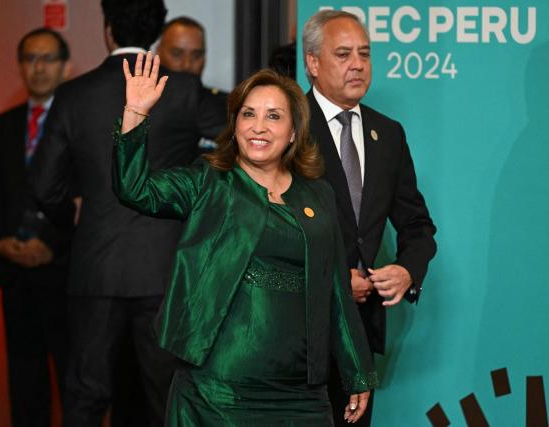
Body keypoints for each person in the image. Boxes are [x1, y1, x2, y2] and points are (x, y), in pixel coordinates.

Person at [112, 52, 376, 426]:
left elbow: (335, 289)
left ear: (294, 132)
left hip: (301, 393)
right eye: (248, 114)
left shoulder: (318, 195)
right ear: (235, 124)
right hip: (218, 390)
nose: (258, 127)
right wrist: (135, 113)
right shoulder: (209, 182)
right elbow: (133, 188)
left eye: (273, 116)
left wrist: (357, 370)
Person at [29, 1, 226, 426]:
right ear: (157, 33)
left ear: (107, 29)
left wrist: (72, 223)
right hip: (165, 271)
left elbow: (44, 186)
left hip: (94, 267)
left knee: (85, 396)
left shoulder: (74, 95)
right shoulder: (185, 90)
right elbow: (245, 140)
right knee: (167, 398)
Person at [302, 10, 437, 426]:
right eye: (343, 54)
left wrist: (407, 270)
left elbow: (417, 226)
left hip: (359, 334)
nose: (358, 64)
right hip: (296, 332)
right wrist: (337, 281)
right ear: (312, 63)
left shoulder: (388, 133)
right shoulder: (289, 126)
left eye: (364, 53)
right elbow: (268, 232)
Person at [0, 27, 73, 427]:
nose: (38, 68)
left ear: (66, 66)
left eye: (47, 58)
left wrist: (51, 245)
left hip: (64, 272)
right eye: (30, 59)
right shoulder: (5, 123)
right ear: (20, 66)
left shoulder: (77, 120)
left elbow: (83, 194)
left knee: (73, 379)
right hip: (15, 273)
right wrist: (1, 241)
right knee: (24, 379)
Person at [156, 16, 228, 152]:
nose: (187, 64)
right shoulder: (144, 105)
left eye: (196, 55)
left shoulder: (223, 105)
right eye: (177, 54)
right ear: (158, 53)